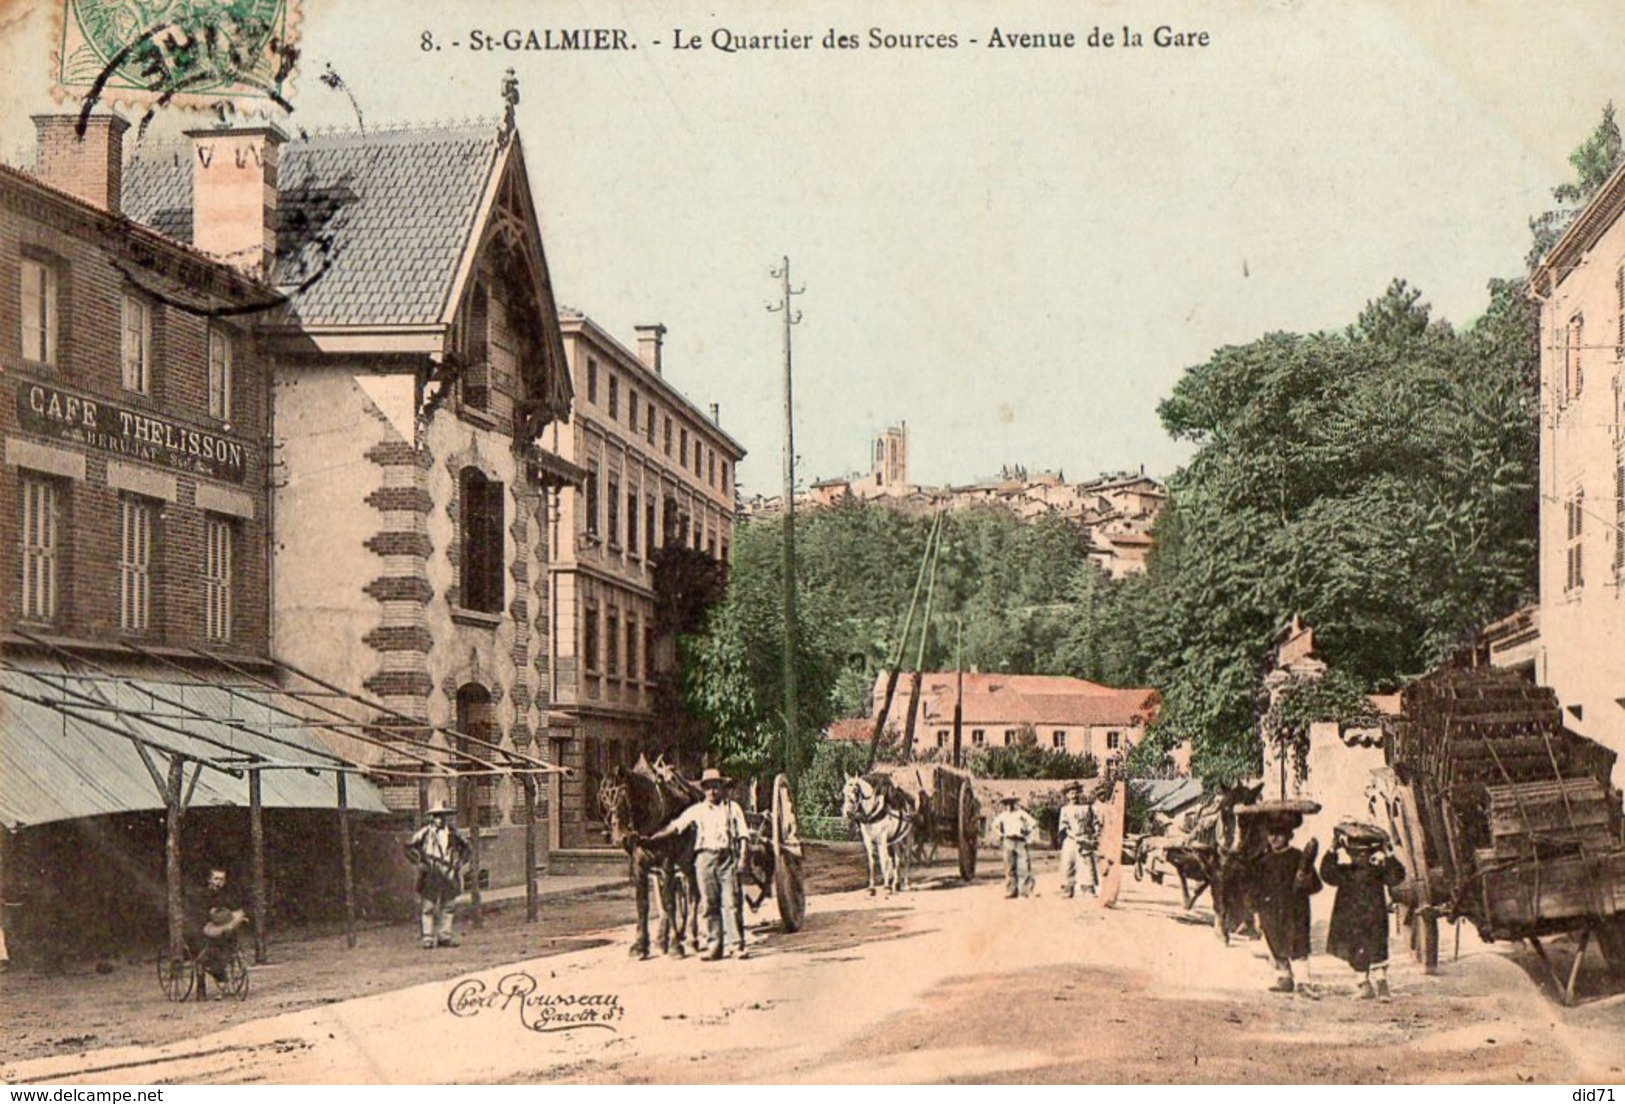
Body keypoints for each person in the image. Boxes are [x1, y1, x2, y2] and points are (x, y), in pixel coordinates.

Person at [646, 768, 751, 960]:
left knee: (731, 902)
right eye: (708, 788)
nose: (712, 792)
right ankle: (714, 947)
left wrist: (743, 859)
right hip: (704, 859)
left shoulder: (732, 808)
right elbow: (676, 826)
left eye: (716, 787)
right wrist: (651, 838)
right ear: (704, 790)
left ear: (722, 787)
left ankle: (736, 946)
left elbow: (743, 835)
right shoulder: (698, 810)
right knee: (709, 905)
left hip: (727, 858)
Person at [1320, 822, 1406, 1001]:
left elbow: (1396, 876)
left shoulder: (1377, 872)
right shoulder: (1344, 872)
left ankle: (1382, 985)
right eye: (1355, 853)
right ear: (1349, 854)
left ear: (1370, 854)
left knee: (1377, 949)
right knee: (1356, 949)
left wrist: (1388, 853)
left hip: (1374, 917)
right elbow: (1327, 873)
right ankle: (1364, 985)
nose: (1359, 857)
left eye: (1363, 853)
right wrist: (1332, 849)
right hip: (1352, 920)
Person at [1251, 812, 1321, 993]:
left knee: (1297, 943)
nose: (1274, 838)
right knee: (1275, 942)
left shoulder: (1298, 858)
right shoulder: (1262, 862)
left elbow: (1316, 886)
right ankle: (1284, 977)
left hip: (1295, 909)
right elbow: (1255, 889)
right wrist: (1257, 910)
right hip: (1270, 910)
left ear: (1289, 836)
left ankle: (1303, 981)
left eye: (1279, 834)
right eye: (1271, 834)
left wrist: (1304, 877)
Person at [405, 803, 472, 950]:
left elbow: (467, 848)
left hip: (449, 872)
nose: (440, 819)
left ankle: (444, 936)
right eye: (436, 816)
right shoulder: (425, 833)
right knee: (428, 906)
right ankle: (428, 938)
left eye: (442, 816)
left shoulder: (453, 833)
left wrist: (459, 863)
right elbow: (409, 846)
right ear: (432, 818)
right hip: (431, 873)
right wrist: (419, 863)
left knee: (448, 906)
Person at [186, 867, 249, 999]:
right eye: (216, 879)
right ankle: (201, 988)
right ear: (209, 880)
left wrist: (239, 919)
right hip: (205, 930)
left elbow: (236, 911)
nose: (219, 882)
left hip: (225, 932)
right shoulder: (202, 896)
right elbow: (197, 915)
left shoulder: (228, 896)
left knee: (226, 950)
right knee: (202, 957)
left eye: (222, 879)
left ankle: (223, 978)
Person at [1056, 781, 1102, 898]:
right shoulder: (1065, 809)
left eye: (1076, 792)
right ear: (1067, 795)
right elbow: (1064, 827)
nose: (1074, 795)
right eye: (1071, 792)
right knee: (1068, 864)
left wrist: (1096, 833)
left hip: (1085, 838)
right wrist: (1074, 836)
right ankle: (1067, 889)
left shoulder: (1087, 808)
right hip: (1071, 840)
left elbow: (1095, 822)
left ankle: (1088, 889)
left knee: (1087, 864)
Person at [991, 794, 1039, 899]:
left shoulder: (1020, 813)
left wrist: (1028, 832)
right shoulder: (1003, 815)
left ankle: (1026, 890)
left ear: (1015, 803)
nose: (1009, 805)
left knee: (1024, 866)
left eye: (1012, 803)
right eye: (1007, 803)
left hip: (1020, 841)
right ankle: (1011, 890)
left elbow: (1033, 823)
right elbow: (994, 825)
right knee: (1009, 867)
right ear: (1004, 804)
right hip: (1008, 840)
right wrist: (1000, 834)